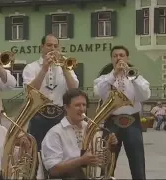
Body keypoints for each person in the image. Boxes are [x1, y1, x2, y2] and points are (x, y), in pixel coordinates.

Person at [94, 45, 151, 179]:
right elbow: (99, 92)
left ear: (127, 58)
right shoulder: (105, 78)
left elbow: (145, 95)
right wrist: (113, 75)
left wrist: (133, 78)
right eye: (115, 56)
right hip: (111, 121)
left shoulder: (136, 77)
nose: (118, 58)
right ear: (111, 59)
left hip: (132, 121)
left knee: (137, 160)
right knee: (107, 160)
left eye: (121, 55)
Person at [41, 88, 118, 179]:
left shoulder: (90, 128)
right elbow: (53, 170)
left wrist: (109, 147)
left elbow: (100, 161)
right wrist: (81, 161)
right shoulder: (55, 133)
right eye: (77, 105)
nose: (82, 109)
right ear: (66, 107)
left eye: (84, 105)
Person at [22, 34, 79, 151]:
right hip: (38, 116)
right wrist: (44, 69)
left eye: (55, 46)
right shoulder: (31, 67)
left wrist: (64, 68)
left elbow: (74, 89)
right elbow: (30, 91)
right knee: (36, 151)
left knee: (61, 151)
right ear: (41, 47)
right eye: (49, 45)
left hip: (60, 115)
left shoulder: (66, 67)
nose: (52, 49)